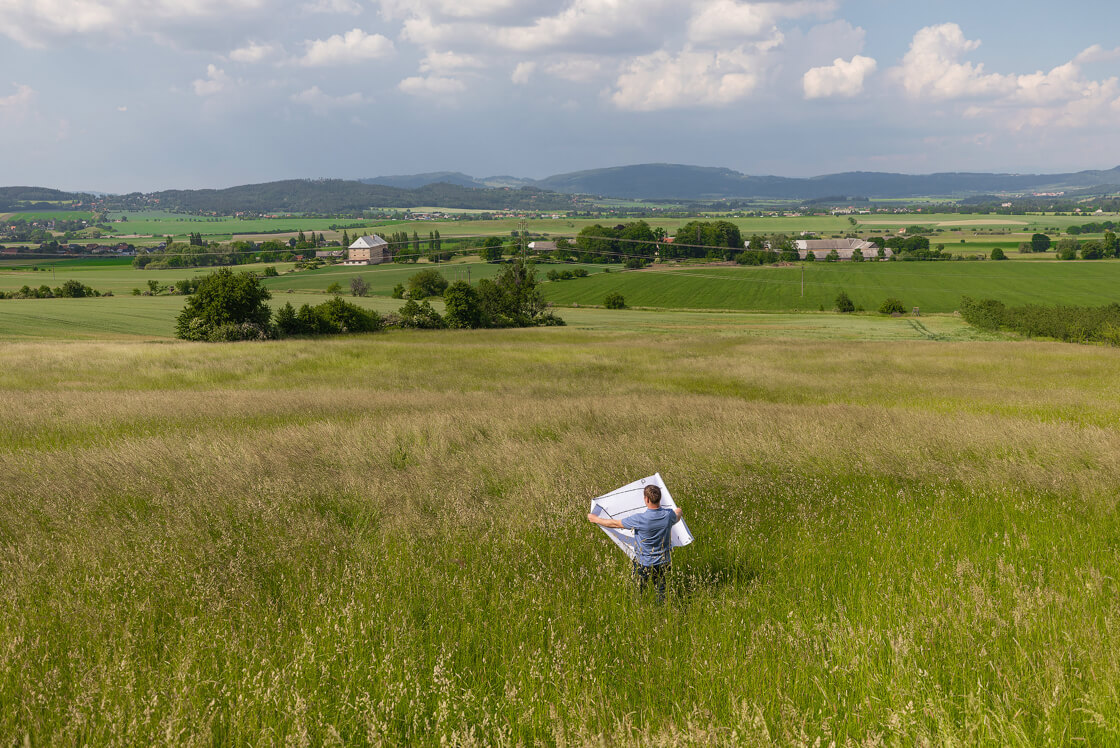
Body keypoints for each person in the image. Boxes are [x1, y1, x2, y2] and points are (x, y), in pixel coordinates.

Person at [587, 484, 682, 601]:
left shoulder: (639, 519)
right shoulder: (668, 516)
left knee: (638, 592)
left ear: (646, 499)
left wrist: (595, 519)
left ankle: (640, 609)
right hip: (664, 561)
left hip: (644, 563)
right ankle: (661, 614)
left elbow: (615, 524)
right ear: (659, 498)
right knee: (662, 593)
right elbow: (678, 513)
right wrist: (678, 510)